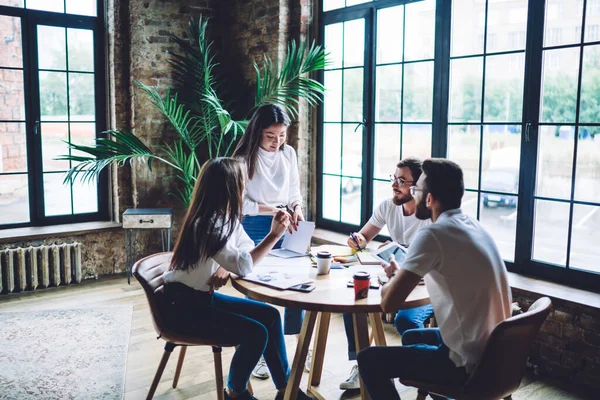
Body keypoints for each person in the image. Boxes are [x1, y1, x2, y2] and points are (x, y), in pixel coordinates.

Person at [357, 158, 512, 400]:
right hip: (495, 351)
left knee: (368, 359)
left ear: (429, 199)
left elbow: (388, 304)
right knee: (411, 336)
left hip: (466, 363)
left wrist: (393, 277)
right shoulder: (471, 224)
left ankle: (448, 391)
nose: (414, 194)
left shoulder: (433, 233)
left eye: (416, 189)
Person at [162, 158, 314, 400]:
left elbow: (246, 247)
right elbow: (244, 263)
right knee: (256, 333)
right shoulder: (207, 223)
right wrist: (274, 236)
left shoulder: (225, 215)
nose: (245, 187)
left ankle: (287, 390)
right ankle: (235, 391)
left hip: (200, 298)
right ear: (229, 188)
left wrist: (228, 267)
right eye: (242, 182)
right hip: (182, 307)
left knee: (271, 316)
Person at [340, 157, 433, 390]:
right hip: (393, 277)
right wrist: (357, 240)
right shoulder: (387, 206)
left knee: (406, 319)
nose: (394, 185)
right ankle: (359, 366)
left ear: (417, 186)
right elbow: (363, 239)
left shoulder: (431, 215)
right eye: (394, 178)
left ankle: (429, 372)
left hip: (427, 284)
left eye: (401, 181)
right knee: (351, 304)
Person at [232, 104, 307, 379]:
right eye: (270, 136)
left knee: (296, 282)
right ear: (257, 133)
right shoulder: (242, 158)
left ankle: (298, 344)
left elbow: (294, 188)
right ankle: (264, 350)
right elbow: (241, 203)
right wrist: (273, 209)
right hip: (255, 223)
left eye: (282, 135)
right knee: (258, 287)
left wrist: (296, 207)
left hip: (288, 218)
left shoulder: (288, 153)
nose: (277, 142)